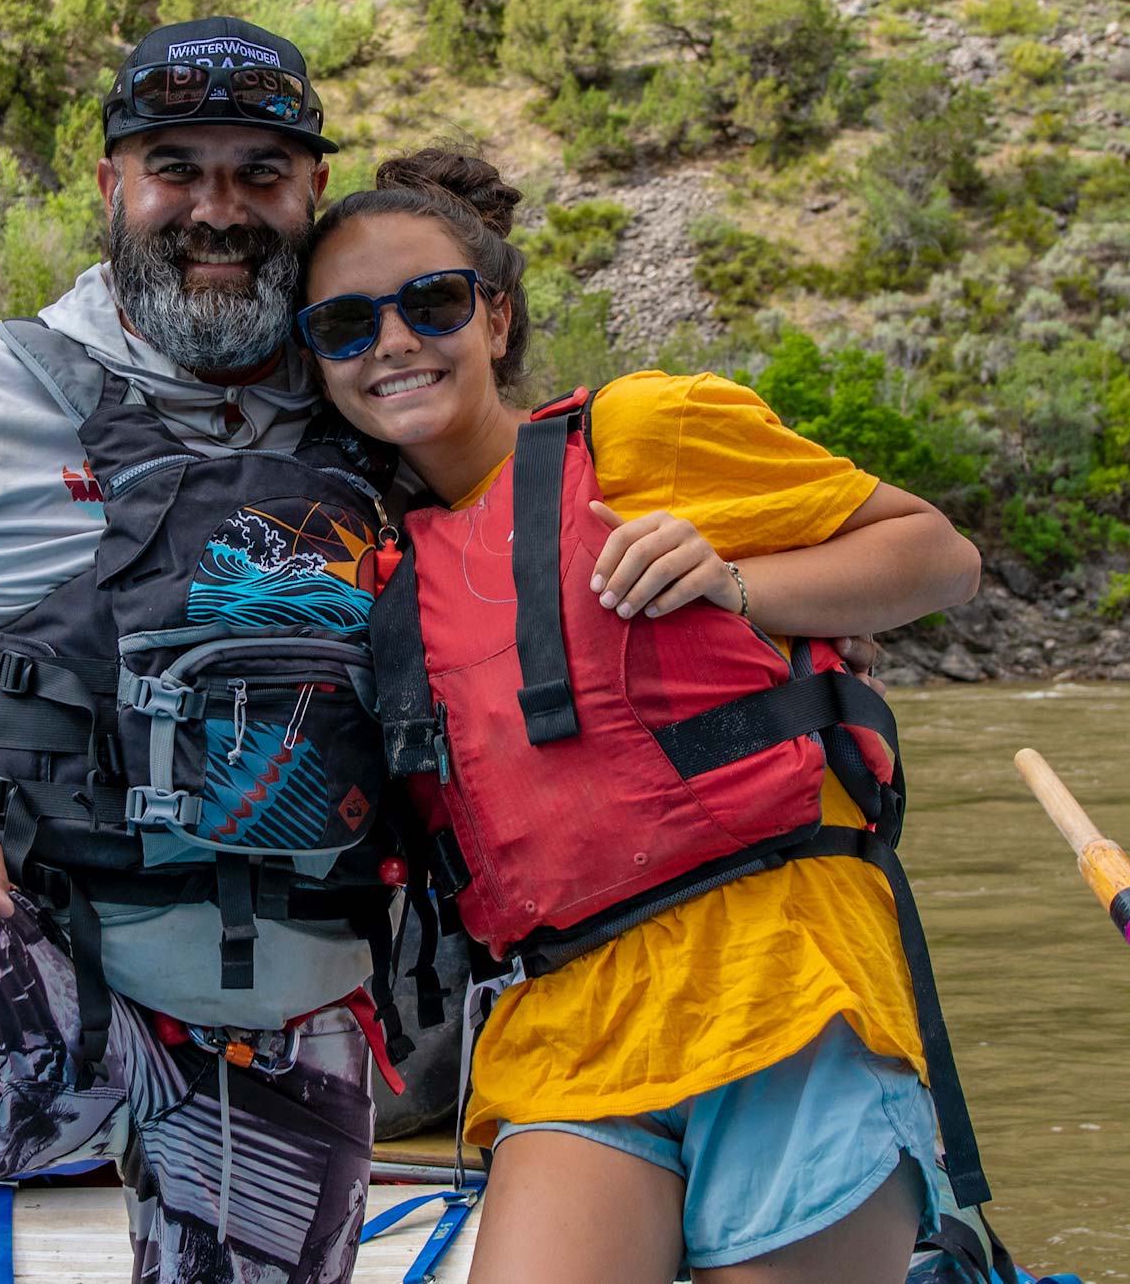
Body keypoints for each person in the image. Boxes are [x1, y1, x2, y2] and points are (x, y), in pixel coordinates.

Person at [0, 18, 398, 1284]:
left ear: (312, 189)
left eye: (260, 172)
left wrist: (754, 613)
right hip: (30, 967)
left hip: (294, 993)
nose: (218, 210)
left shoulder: (390, 407)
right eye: (176, 167)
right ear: (109, 186)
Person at [295, 149, 986, 1283]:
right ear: (317, 358)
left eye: (431, 302)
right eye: (345, 324)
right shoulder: (367, 554)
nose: (394, 342)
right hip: (566, 1011)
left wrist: (738, 582)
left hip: (781, 970)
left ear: (495, 316)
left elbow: (937, 556)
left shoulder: (639, 432)